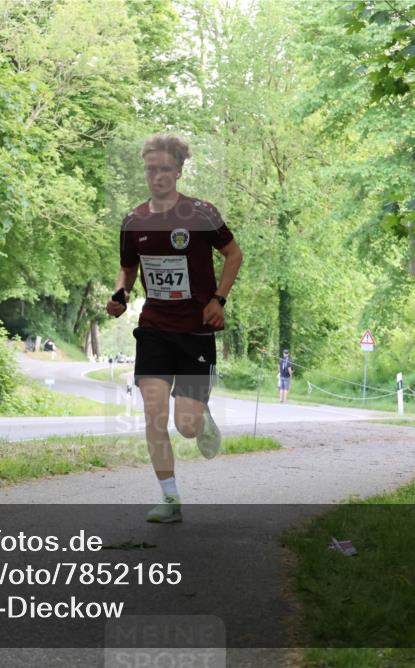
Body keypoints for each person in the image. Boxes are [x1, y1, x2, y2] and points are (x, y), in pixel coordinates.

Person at [106, 133, 243, 523]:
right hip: (154, 326)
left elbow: (233, 254)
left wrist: (219, 299)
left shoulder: (201, 214)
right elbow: (128, 268)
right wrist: (120, 293)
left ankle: (200, 416)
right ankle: (170, 499)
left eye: (165, 169)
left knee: (185, 426)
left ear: (179, 171)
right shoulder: (134, 220)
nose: (157, 176)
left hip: (196, 329)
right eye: (151, 169)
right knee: (152, 413)